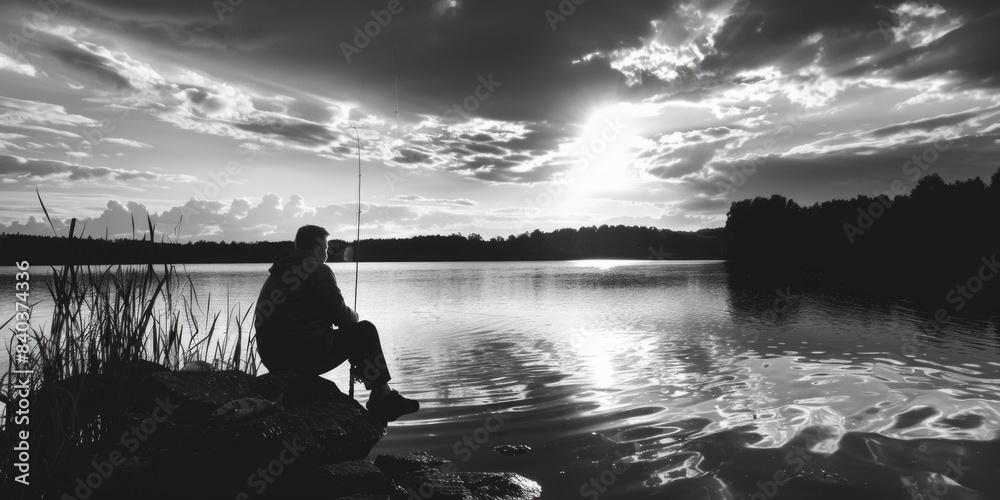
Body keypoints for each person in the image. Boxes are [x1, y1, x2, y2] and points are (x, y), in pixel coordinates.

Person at [254, 224, 418, 423]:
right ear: (316, 249)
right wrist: (354, 317)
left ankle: (381, 396)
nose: (326, 253)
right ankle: (383, 397)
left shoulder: (277, 272)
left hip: (273, 359)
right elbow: (343, 317)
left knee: (352, 333)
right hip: (302, 358)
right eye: (325, 248)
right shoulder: (317, 269)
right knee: (364, 330)